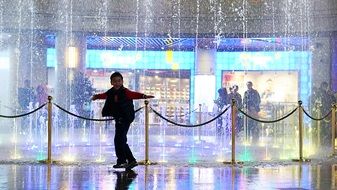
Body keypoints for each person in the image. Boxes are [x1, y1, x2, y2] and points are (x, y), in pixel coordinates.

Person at [91, 71, 154, 170]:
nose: (117, 83)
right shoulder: (111, 92)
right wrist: (96, 97)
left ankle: (122, 161)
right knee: (121, 140)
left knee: (119, 140)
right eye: (115, 81)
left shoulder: (125, 91)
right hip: (119, 118)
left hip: (125, 118)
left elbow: (134, 94)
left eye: (119, 81)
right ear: (111, 82)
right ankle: (131, 160)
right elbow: (105, 95)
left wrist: (144, 96)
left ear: (122, 81)